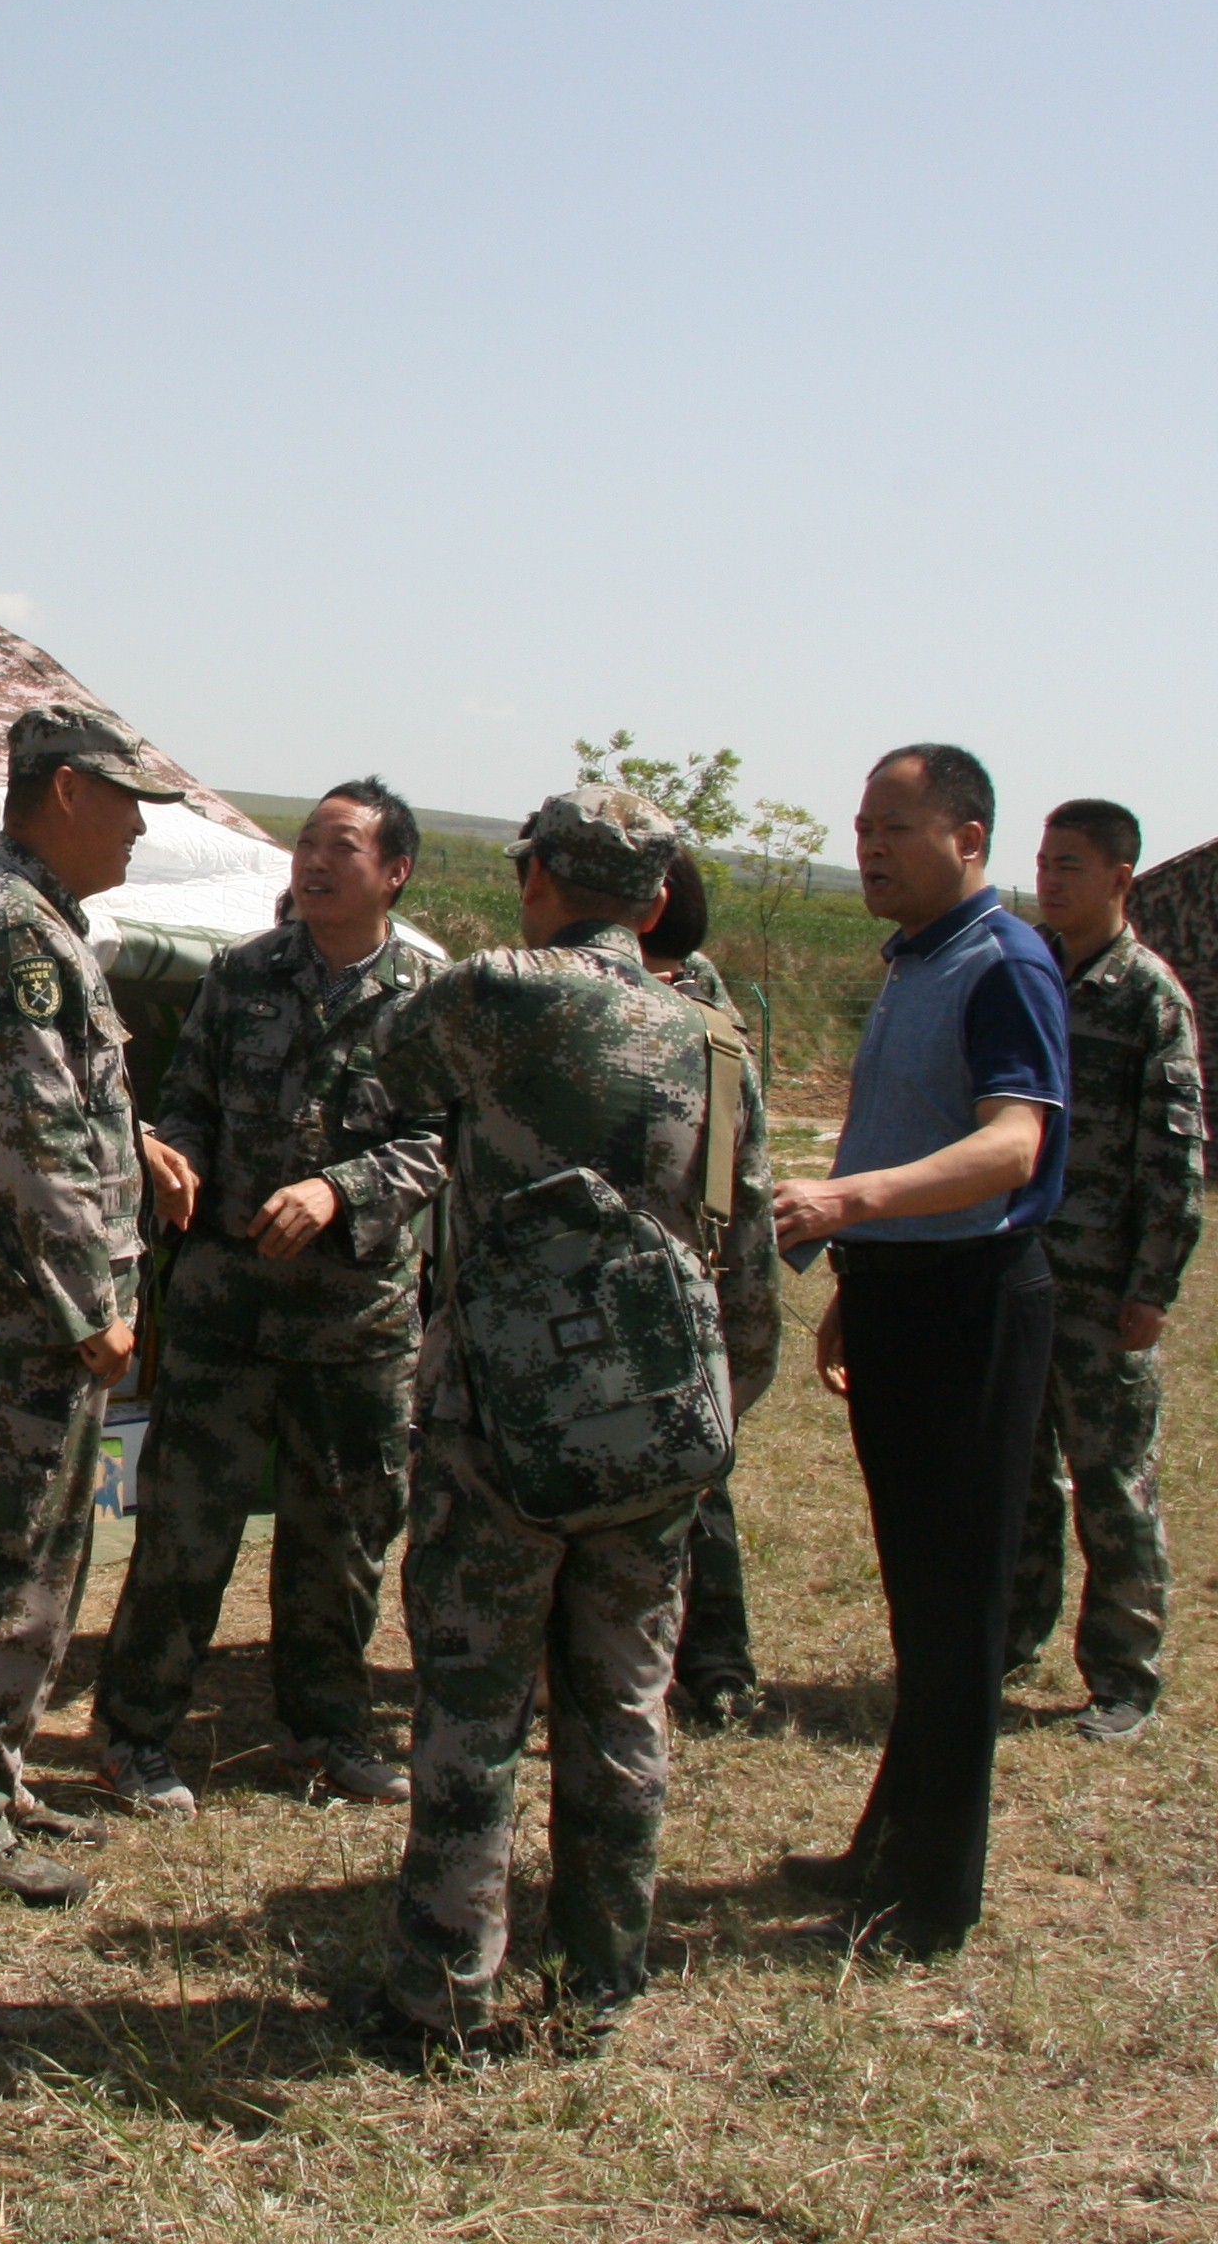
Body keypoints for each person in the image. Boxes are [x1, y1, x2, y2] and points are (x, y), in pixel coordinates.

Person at [356, 787, 778, 2050]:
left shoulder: (495, 993)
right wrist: (712, 1413)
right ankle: (602, 1978)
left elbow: (391, 1068)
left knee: (475, 1713)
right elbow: (742, 1257)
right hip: (654, 1425)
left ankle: (444, 1994)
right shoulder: (714, 1042)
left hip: (496, 1416)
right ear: (656, 901)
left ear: (534, 876)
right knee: (624, 1705)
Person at [0, 703, 201, 1908]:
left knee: (25, 1565)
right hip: (20, 1316)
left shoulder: (39, 925)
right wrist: (94, 1305)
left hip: (21, 1311)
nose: (138, 831)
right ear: (67, 791)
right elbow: (35, 1140)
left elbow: (68, 1107)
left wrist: (142, 1139)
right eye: (127, 803)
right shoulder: (15, 934)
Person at [92, 778, 446, 1816]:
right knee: (183, 1535)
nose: (315, 862)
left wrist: (342, 1190)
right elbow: (187, 1099)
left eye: (342, 846)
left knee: (342, 1537)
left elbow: (445, 1142)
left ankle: (327, 1734)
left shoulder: (434, 995)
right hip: (227, 1313)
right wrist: (175, 1157)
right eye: (306, 842)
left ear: (395, 871)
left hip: (358, 1321)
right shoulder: (241, 975)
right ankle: (135, 1737)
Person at [772, 743, 1071, 1959]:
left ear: (969, 838)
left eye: (896, 826)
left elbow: (1012, 1147)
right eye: (861, 826)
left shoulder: (1006, 963)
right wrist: (856, 1276)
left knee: (955, 1610)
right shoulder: (916, 962)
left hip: (974, 1305)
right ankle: (885, 1845)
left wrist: (851, 1206)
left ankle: (933, 1896)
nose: (871, 847)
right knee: (918, 1600)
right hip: (902, 1292)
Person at [1004, 798, 1205, 1744]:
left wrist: (1150, 1289)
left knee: (1113, 1484)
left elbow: (1175, 1157)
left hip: (1100, 1287)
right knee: (1018, 1476)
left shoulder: (1148, 995)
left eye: (1071, 864)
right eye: (1044, 859)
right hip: (1018, 1270)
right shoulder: (1026, 968)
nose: (1050, 876)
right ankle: (1008, 1638)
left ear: (1121, 877)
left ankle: (1124, 1675)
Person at [638, 853, 770, 1728]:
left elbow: (735, 1200)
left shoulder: (707, 1028)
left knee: (694, 1483)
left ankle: (714, 1661)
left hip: (677, 1292)